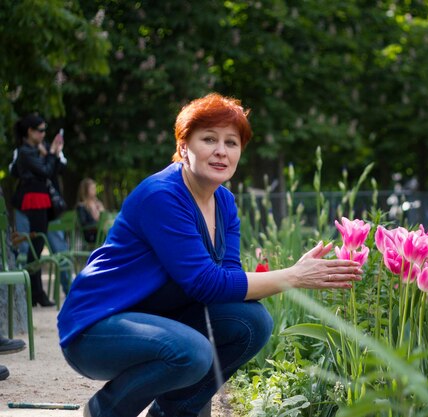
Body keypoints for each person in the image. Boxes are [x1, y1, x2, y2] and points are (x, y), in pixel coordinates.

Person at [57, 93, 362, 417]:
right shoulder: (161, 195)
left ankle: (173, 413)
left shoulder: (225, 202)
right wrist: (294, 276)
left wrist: (293, 275)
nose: (221, 150)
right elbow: (206, 283)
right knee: (192, 353)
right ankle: (100, 412)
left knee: (252, 322)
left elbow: (226, 282)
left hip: (158, 321)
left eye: (231, 142)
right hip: (97, 327)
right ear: (184, 145)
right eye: (209, 139)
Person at [10, 114, 65, 307]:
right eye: (40, 130)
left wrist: (54, 154)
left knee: (37, 246)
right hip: (32, 200)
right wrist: (50, 154)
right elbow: (45, 172)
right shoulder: (26, 151)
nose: (43, 134)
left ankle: (35, 294)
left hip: (40, 200)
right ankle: (35, 293)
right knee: (33, 246)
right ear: (30, 132)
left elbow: (53, 171)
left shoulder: (35, 151)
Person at [75, 178, 106, 244]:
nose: (94, 190)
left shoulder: (97, 203)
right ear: (85, 190)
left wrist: (101, 211)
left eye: (94, 188)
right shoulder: (82, 206)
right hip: (91, 234)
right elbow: (84, 223)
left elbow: (104, 217)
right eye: (92, 188)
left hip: (100, 232)